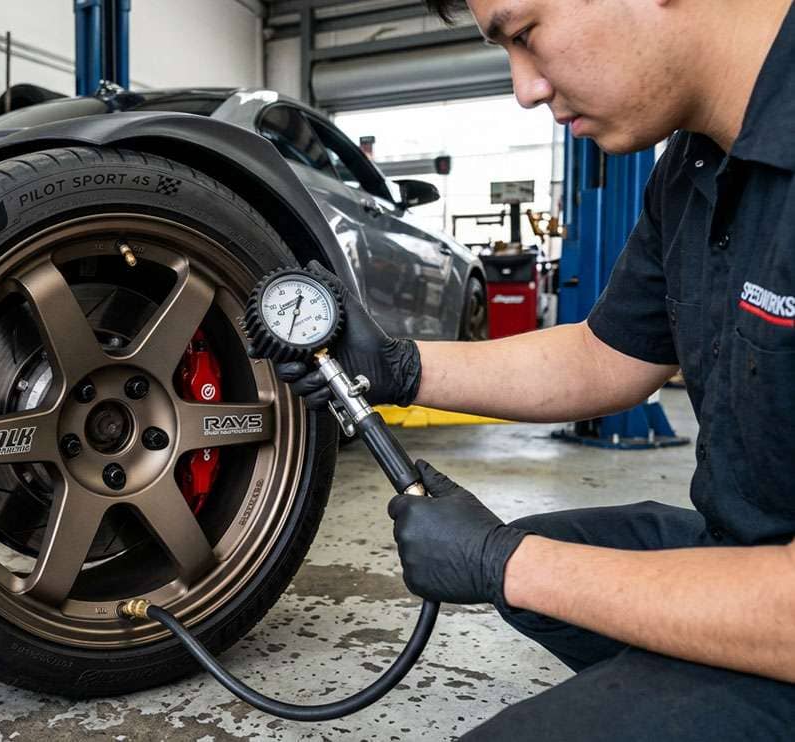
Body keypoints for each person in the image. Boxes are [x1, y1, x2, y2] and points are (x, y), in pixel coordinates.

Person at [264, 0, 795, 737]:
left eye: (525, 34)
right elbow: (606, 356)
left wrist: (505, 562)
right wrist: (396, 366)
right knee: (548, 567)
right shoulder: (696, 162)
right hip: (748, 550)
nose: (525, 87)